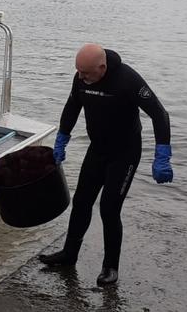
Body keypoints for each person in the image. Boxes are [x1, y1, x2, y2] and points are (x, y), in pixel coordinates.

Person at [38, 43, 174, 287]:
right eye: (78, 71)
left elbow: (160, 114)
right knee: (81, 202)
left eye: (86, 73)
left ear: (102, 67)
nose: (81, 77)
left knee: (109, 209)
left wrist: (162, 154)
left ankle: (110, 267)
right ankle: (69, 254)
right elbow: (72, 107)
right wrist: (62, 138)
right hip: (97, 149)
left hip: (125, 153)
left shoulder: (128, 80)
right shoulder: (81, 77)